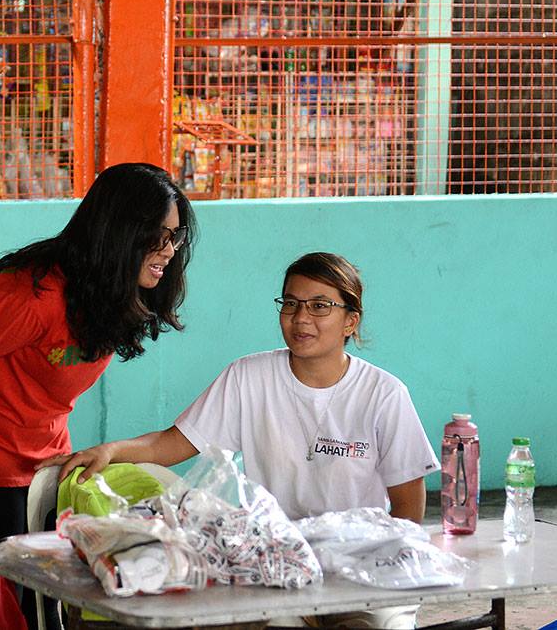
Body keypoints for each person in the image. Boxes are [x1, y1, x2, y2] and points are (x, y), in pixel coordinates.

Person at [41, 252, 438, 630]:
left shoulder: (383, 394)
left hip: (359, 565)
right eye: (291, 304)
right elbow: (173, 443)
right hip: (273, 562)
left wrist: (384, 568)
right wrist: (110, 451)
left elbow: (408, 504)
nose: (301, 318)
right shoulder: (249, 377)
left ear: (351, 321)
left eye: (320, 306)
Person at [0, 162, 194, 625]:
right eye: (157, 236)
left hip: (44, 440)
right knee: (11, 588)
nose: (169, 250)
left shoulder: (112, 289)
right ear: (118, 232)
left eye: (174, 236)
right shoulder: (33, 294)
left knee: (54, 583)